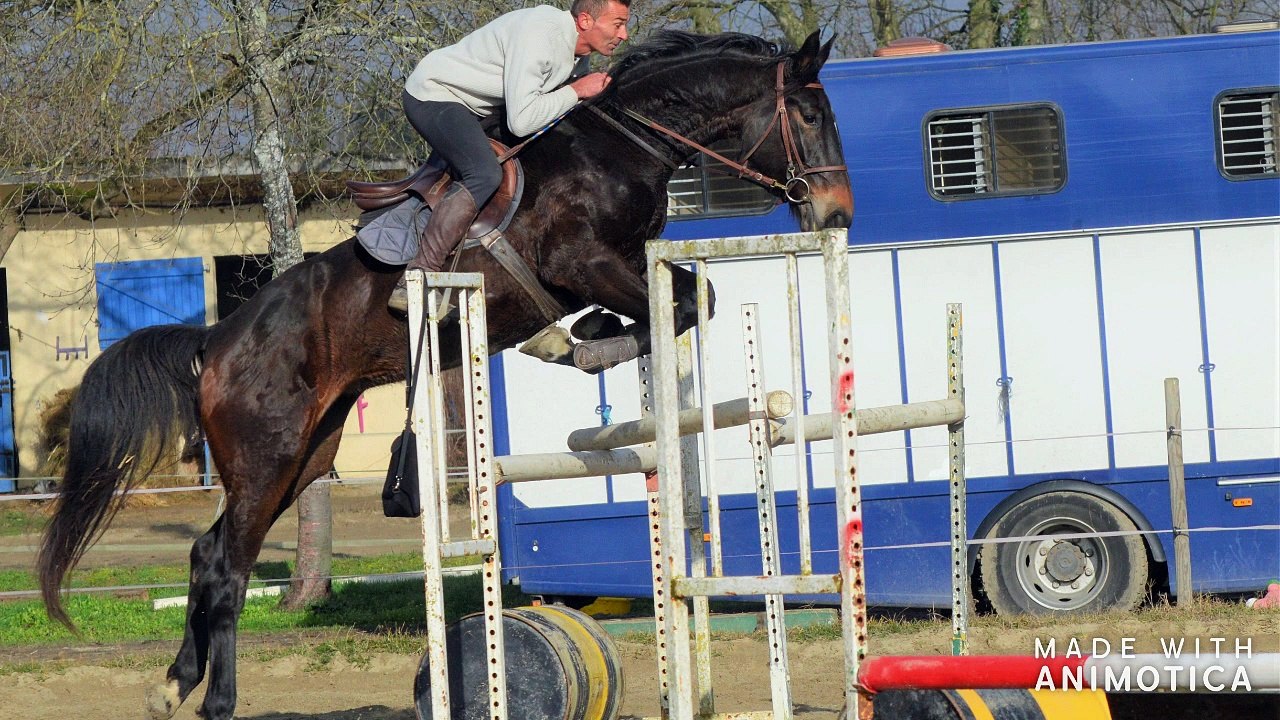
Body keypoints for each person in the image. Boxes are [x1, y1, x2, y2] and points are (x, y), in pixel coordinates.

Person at [389, 0, 632, 311]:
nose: (624, 34)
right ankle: (417, 276)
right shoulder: (540, 34)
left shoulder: (578, 57)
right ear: (585, 20)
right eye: (617, 23)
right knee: (485, 173)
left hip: (480, 107)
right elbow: (522, 122)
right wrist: (578, 90)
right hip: (435, 94)